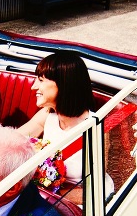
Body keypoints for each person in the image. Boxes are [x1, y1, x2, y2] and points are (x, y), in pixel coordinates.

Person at [18, 50, 95, 192]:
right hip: (47, 195)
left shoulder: (96, 128)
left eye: (40, 80)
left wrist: (47, 195)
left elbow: (94, 191)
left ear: (64, 84)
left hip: (82, 204)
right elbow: (11, 140)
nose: (33, 86)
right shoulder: (47, 115)